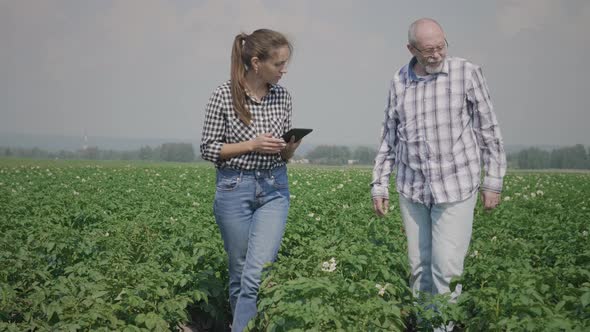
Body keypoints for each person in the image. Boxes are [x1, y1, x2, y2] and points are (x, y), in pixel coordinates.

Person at [371, 17, 506, 324]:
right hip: (413, 186)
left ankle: (443, 326)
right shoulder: (399, 81)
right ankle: (425, 323)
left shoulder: (466, 73)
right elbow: (388, 136)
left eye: (441, 47)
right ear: (411, 49)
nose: (436, 54)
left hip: (456, 184)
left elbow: (489, 129)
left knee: (445, 268)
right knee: (419, 267)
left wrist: (493, 181)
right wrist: (379, 184)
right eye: (428, 50)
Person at [200, 29, 300, 332]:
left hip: (274, 187)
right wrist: (251, 145)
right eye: (279, 64)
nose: (284, 70)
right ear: (256, 63)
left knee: (257, 270)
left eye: (285, 64)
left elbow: (283, 157)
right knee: (240, 270)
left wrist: (289, 148)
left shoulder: (282, 95)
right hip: (234, 187)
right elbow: (208, 148)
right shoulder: (223, 95)